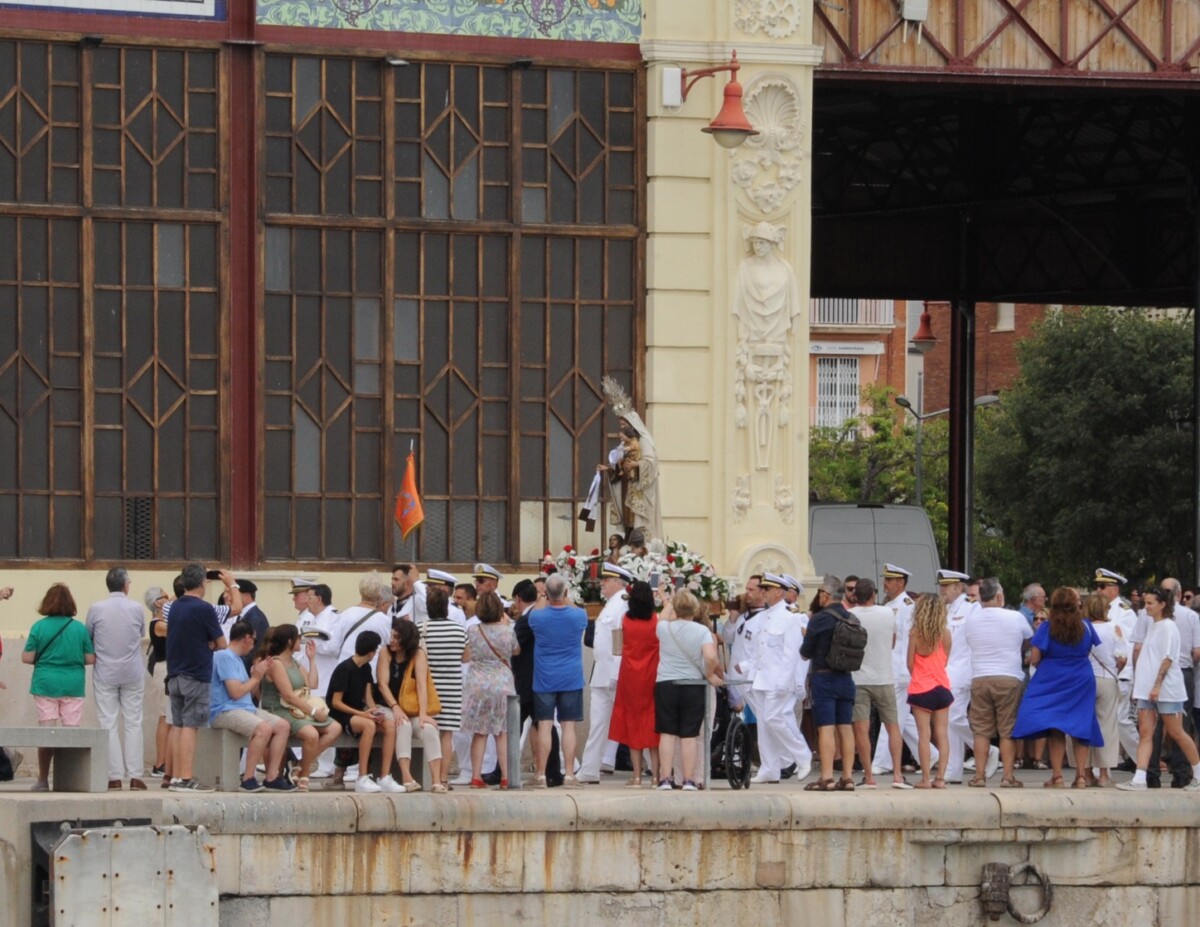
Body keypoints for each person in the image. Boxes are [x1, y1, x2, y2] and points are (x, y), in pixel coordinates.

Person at [1011, 587, 1104, 788]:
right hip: (1081, 677)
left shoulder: (1046, 627)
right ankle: (1080, 776)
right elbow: (1092, 649)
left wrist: (1048, 666)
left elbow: (1034, 658)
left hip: (1052, 677)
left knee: (1056, 728)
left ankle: (1058, 776)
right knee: (1081, 726)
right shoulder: (1086, 626)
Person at [1119, 586, 1200, 791]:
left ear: (1162, 605)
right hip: (1147, 687)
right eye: (1145, 603)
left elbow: (1168, 659)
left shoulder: (1168, 627)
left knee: (1176, 732)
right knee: (1145, 732)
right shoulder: (1154, 625)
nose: (1145, 607)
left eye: (1150, 603)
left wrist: (1157, 685)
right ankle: (1139, 777)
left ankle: (1198, 773)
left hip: (1166, 689)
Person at [22, 583, 95, 792]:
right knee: (71, 732)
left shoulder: (39, 626)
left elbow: (27, 657)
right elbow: (90, 658)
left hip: (45, 683)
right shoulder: (79, 628)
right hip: (73, 684)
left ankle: (43, 779)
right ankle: (70, 779)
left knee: (46, 732)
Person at [164, 564, 230, 793]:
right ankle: (185, 778)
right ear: (203, 583)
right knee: (191, 726)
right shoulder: (204, 609)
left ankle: (173, 776)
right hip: (196, 673)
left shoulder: (173, 607)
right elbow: (222, 643)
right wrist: (210, 643)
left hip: (174, 673)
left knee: (178, 725)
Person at [962, 578, 1032, 787]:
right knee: (1007, 730)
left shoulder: (971, 619)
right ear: (999, 596)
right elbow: (1029, 639)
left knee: (981, 731)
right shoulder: (1015, 617)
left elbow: (968, 642)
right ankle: (1008, 776)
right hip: (1009, 678)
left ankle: (979, 776)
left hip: (980, 678)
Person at [210, 621, 294, 792]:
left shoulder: (238, 659)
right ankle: (248, 777)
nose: (254, 645)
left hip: (245, 708)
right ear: (247, 638)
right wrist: (255, 678)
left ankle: (272, 777)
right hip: (225, 710)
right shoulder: (224, 656)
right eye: (254, 640)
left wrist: (257, 675)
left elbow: (247, 691)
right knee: (263, 729)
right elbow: (234, 692)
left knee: (283, 726)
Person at [86, 566, 148, 791]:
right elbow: (140, 634)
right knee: (133, 722)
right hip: (132, 671)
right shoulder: (136, 608)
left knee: (108, 722)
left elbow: (89, 635)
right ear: (125, 585)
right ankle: (136, 776)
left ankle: (113, 777)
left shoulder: (96, 608)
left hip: (105, 671)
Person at [745, 574, 811, 785]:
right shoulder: (763, 617)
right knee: (765, 725)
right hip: (762, 679)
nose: (762, 592)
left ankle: (802, 755)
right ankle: (770, 768)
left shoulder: (791, 617)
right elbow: (758, 651)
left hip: (780, 680)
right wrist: (750, 677)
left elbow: (792, 653)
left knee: (776, 717)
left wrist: (786, 681)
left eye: (766, 589)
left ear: (779, 592)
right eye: (761, 589)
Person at [654, 588, 722, 791]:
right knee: (689, 735)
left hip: (666, 682)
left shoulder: (664, 628)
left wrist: (671, 600)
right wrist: (709, 674)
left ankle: (665, 778)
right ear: (695, 609)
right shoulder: (702, 631)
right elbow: (710, 657)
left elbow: (663, 615)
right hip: (692, 684)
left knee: (667, 733)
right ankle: (689, 780)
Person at [871, 564, 936, 776]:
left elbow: (909, 638)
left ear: (900, 582)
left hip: (900, 670)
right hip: (891, 667)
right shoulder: (891, 605)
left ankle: (883, 761)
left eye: (889, 580)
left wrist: (908, 668)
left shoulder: (907, 605)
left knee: (891, 716)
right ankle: (931, 754)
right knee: (903, 718)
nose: (885, 584)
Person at [261, 624, 342, 791]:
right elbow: (288, 695)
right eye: (299, 638)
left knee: (335, 728)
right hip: (280, 708)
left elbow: (312, 683)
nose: (302, 641)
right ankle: (305, 774)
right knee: (311, 734)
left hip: (296, 708)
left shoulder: (295, 662)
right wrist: (312, 711)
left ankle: (299, 767)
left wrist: (312, 660)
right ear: (290, 641)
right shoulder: (276, 663)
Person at [528, 573, 588, 789]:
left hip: (544, 677)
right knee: (568, 725)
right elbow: (574, 608)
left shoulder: (538, 618)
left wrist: (545, 595)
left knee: (544, 725)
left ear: (546, 593)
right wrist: (564, 596)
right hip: (571, 677)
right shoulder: (579, 616)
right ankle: (570, 774)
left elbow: (536, 609)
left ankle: (541, 774)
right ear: (565, 592)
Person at [326, 630, 404, 793]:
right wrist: (362, 714)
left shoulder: (366, 668)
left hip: (358, 712)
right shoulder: (344, 669)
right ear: (371, 653)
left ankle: (384, 776)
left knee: (389, 725)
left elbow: (367, 696)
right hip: (340, 714)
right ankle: (362, 776)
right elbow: (335, 703)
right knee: (368, 725)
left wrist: (374, 711)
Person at [938, 569, 996, 785]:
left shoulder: (971, 607)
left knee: (953, 717)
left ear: (958, 587)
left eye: (947, 586)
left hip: (963, 670)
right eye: (941, 585)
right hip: (945, 670)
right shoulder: (943, 609)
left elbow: (981, 638)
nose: (942, 589)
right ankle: (953, 769)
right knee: (948, 721)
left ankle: (985, 748)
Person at [850, 578, 909, 789]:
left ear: (855, 595)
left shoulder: (851, 615)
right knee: (893, 727)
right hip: (885, 677)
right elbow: (893, 642)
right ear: (874, 594)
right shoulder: (887, 613)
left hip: (858, 678)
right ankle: (898, 776)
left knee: (861, 729)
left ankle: (869, 777)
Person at [801, 575, 858, 792]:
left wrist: (807, 636)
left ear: (825, 595)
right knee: (845, 727)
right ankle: (848, 777)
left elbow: (805, 654)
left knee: (825, 727)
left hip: (824, 677)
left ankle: (826, 777)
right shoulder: (852, 618)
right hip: (846, 678)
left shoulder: (819, 619)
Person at [577, 563, 630, 784]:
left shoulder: (622, 605)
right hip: (603, 672)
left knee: (633, 720)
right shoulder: (611, 605)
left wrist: (617, 672)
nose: (602, 584)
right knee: (598, 722)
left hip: (614, 673)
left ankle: (661, 768)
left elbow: (620, 641)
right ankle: (589, 769)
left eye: (606, 581)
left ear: (618, 583)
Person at [376, 618, 443, 791]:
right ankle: (407, 777)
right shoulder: (385, 652)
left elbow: (422, 685)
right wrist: (395, 707)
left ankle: (436, 781)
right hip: (388, 705)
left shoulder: (418, 654)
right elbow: (382, 684)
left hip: (412, 709)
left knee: (429, 729)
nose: (392, 640)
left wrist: (423, 714)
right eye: (391, 636)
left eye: (396, 637)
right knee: (402, 724)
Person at [460, 592, 518, 789]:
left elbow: (466, 655)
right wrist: (507, 624)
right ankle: (506, 777)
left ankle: (476, 776)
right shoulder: (507, 631)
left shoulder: (473, 630)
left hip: (477, 685)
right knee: (502, 732)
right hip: (502, 684)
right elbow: (515, 650)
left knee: (480, 732)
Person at [511, 580, 563, 787]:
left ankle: (504, 771)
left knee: (513, 725)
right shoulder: (540, 614)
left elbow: (513, 644)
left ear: (517, 599)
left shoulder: (528, 619)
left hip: (528, 681)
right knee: (544, 725)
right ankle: (553, 773)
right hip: (539, 679)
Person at [608, 578, 659, 787]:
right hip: (651, 675)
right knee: (653, 724)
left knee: (632, 723)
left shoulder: (624, 620)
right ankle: (657, 776)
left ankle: (637, 775)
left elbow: (617, 647)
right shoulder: (656, 620)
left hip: (629, 675)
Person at [600, 377, 662, 542]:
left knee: (638, 518)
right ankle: (629, 540)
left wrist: (637, 464)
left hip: (639, 487)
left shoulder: (643, 441)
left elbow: (652, 462)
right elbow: (620, 462)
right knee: (628, 518)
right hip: (629, 484)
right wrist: (610, 469)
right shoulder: (625, 443)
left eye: (623, 425)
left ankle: (640, 543)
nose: (621, 430)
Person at [421, 584, 468, 789]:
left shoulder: (421, 628)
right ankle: (443, 778)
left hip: (427, 688)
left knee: (428, 731)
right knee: (446, 734)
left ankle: (428, 776)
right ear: (446, 608)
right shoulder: (459, 630)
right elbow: (466, 657)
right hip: (452, 688)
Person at [906, 593, 953, 789]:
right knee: (942, 733)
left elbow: (909, 663)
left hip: (920, 688)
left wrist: (918, 673)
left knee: (923, 734)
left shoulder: (915, 633)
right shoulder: (945, 633)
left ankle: (925, 778)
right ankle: (940, 777)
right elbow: (946, 659)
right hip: (942, 686)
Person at [1082, 592, 1124, 788]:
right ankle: (1104, 774)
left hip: (1084, 680)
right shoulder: (1113, 629)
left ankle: (1086, 772)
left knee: (1083, 726)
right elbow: (1122, 658)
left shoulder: (1082, 628)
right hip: (1107, 679)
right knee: (1107, 726)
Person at [144, 585, 171, 778]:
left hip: (167, 668)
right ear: (157, 603)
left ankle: (164, 761)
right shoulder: (158, 625)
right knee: (165, 716)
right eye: (165, 597)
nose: (169, 599)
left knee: (168, 715)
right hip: (164, 669)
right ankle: (160, 762)